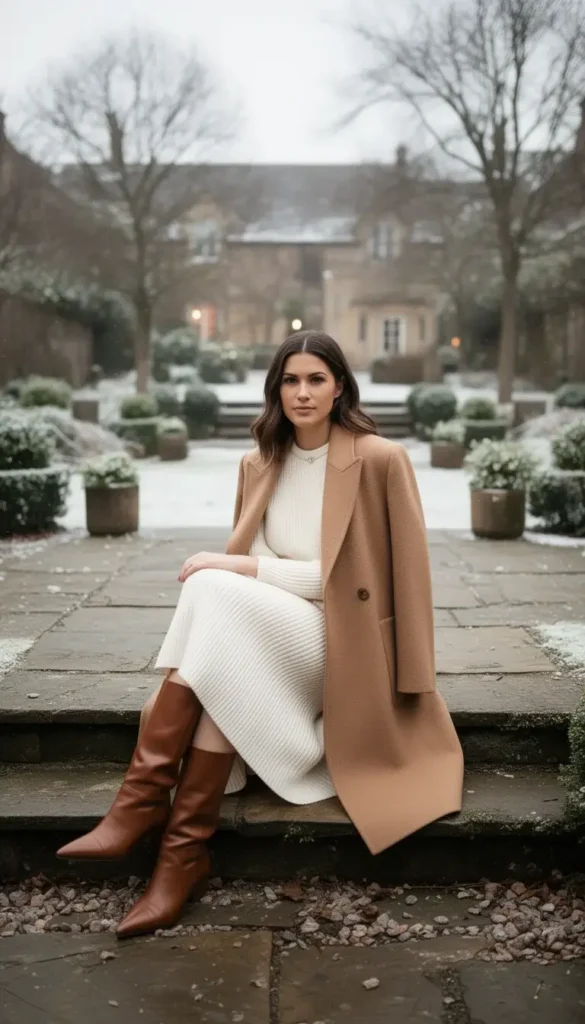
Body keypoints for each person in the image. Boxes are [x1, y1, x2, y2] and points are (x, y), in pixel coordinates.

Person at [57, 330, 464, 937]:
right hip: (271, 631)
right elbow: (252, 575)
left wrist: (414, 680)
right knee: (220, 633)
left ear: (339, 387)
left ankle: (141, 803)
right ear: (276, 389)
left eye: (316, 379)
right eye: (290, 380)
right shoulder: (259, 463)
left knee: (212, 586)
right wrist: (240, 569)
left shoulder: (380, 459)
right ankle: (182, 854)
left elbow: (388, 577)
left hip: (341, 642)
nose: (303, 393)